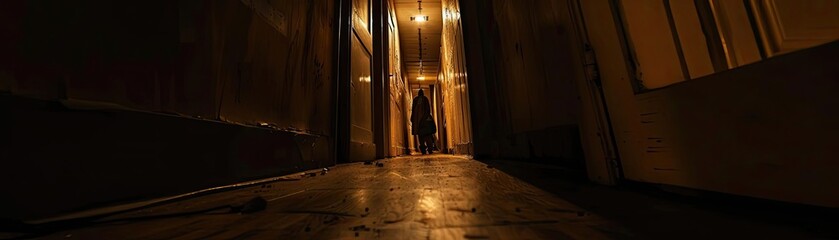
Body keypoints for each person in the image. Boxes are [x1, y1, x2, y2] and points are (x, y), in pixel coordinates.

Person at [411, 89, 437, 154]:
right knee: (427, 135)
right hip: (424, 121)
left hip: (418, 121)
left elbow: (413, 110)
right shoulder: (424, 99)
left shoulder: (415, 100)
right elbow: (428, 109)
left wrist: (412, 118)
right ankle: (429, 149)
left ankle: (423, 149)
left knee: (421, 136)